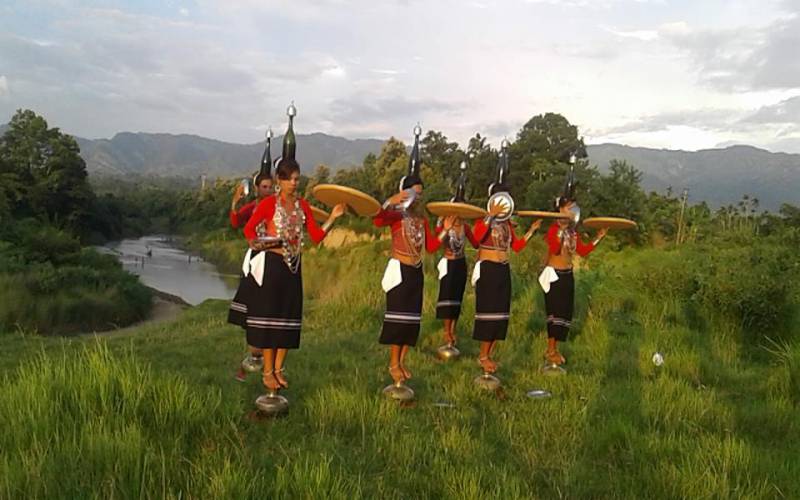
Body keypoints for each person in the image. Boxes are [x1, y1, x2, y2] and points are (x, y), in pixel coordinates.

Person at [243, 104, 345, 391]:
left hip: (294, 267)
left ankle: (278, 369)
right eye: (291, 179)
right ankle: (266, 371)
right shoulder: (267, 205)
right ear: (280, 180)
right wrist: (263, 242)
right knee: (270, 320)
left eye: (297, 180)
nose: (294, 184)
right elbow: (250, 231)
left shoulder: (302, 206)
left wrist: (333, 219)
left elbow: (315, 236)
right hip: (274, 264)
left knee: (287, 320)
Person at [373, 125, 451, 384]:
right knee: (398, 319)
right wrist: (391, 200)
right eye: (413, 192)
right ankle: (393, 363)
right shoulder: (397, 215)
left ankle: (403, 361)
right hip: (400, 270)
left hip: (416, 271)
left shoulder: (421, 219)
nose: (417, 196)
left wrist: (445, 231)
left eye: (420, 193)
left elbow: (429, 248)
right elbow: (377, 219)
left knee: (411, 321)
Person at [471, 141, 541, 374]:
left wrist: (531, 230)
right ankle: (482, 355)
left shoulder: (508, 224)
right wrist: (489, 218)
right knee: (488, 313)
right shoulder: (483, 219)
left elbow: (517, 246)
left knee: (500, 314)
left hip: (503, 269)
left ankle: (489, 353)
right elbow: (475, 240)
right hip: (488, 269)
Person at [539, 159, 606, 366]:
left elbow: (583, 251)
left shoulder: (572, 232)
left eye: (572, 208)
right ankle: (550, 351)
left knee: (565, 313)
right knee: (555, 313)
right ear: (560, 210)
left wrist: (598, 237)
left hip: (568, 275)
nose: (570, 212)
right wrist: (559, 230)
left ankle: (555, 348)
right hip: (555, 274)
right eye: (567, 208)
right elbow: (555, 249)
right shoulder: (553, 230)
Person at [228, 128, 276, 382]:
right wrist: (235, 201)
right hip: (256, 261)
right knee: (253, 311)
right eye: (264, 187)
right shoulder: (254, 207)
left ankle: (269, 360)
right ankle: (253, 356)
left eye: (271, 186)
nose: (268, 190)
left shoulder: (279, 207)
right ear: (257, 188)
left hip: (275, 262)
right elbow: (236, 222)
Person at [434, 160, 479, 349]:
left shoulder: (466, 227)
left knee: (457, 299)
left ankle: (453, 328)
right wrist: (444, 227)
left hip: (461, 264)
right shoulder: (443, 223)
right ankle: (447, 331)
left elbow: (476, 243)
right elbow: (437, 242)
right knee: (447, 297)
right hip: (448, 263)